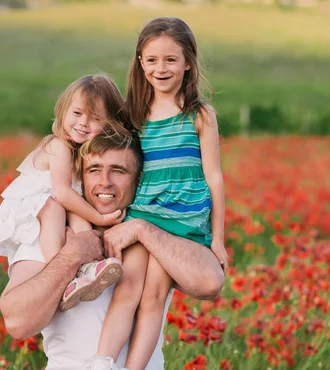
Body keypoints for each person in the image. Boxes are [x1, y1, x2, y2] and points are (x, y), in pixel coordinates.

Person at [0, 129, 225, 369]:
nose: (104, 182)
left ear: (138, 179)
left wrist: (142, 230)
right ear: (80, 176)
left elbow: (210, 283)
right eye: (94, 170)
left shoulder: (158, 235)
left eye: (118, 171)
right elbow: (16, 322)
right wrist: (72, 255)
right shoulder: (52, 233)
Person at [89, 17, 229, 370]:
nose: (160, 68)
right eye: (152, 60)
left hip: (183, 219)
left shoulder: (200, 115)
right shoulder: (134, 114)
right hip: (145, 210)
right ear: (140, 62)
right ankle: (102, 362)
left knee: (153, 297)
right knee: (129, 288)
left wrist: (218, 241)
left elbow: (214, 177)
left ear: (188, 62)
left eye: (170, 59)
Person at [0, 74, 128, 312]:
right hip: (35, 207)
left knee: (76, 206)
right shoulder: (58, 145)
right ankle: (65, 275)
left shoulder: (81, 151)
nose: (83, 122)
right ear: (63, 111)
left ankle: (89, 269)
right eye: (77, 113)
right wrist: (100, 219)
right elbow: (61, 192)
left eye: (94, 118)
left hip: (60, 204)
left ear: (109, 124)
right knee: (58, 206)